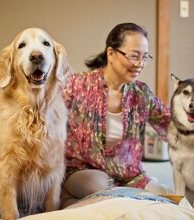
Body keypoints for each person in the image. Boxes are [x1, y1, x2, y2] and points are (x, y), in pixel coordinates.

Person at [61, 22, 171, 207]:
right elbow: (45, 115)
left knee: (167, 196)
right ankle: (69, 198)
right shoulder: (77, 85)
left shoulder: (141, 93)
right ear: (111, 53)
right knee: (100, 186)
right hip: (82, 172)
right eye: (134, 56)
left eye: (145, 57)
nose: (140, 64)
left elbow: (173, 126)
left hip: (130, 176)